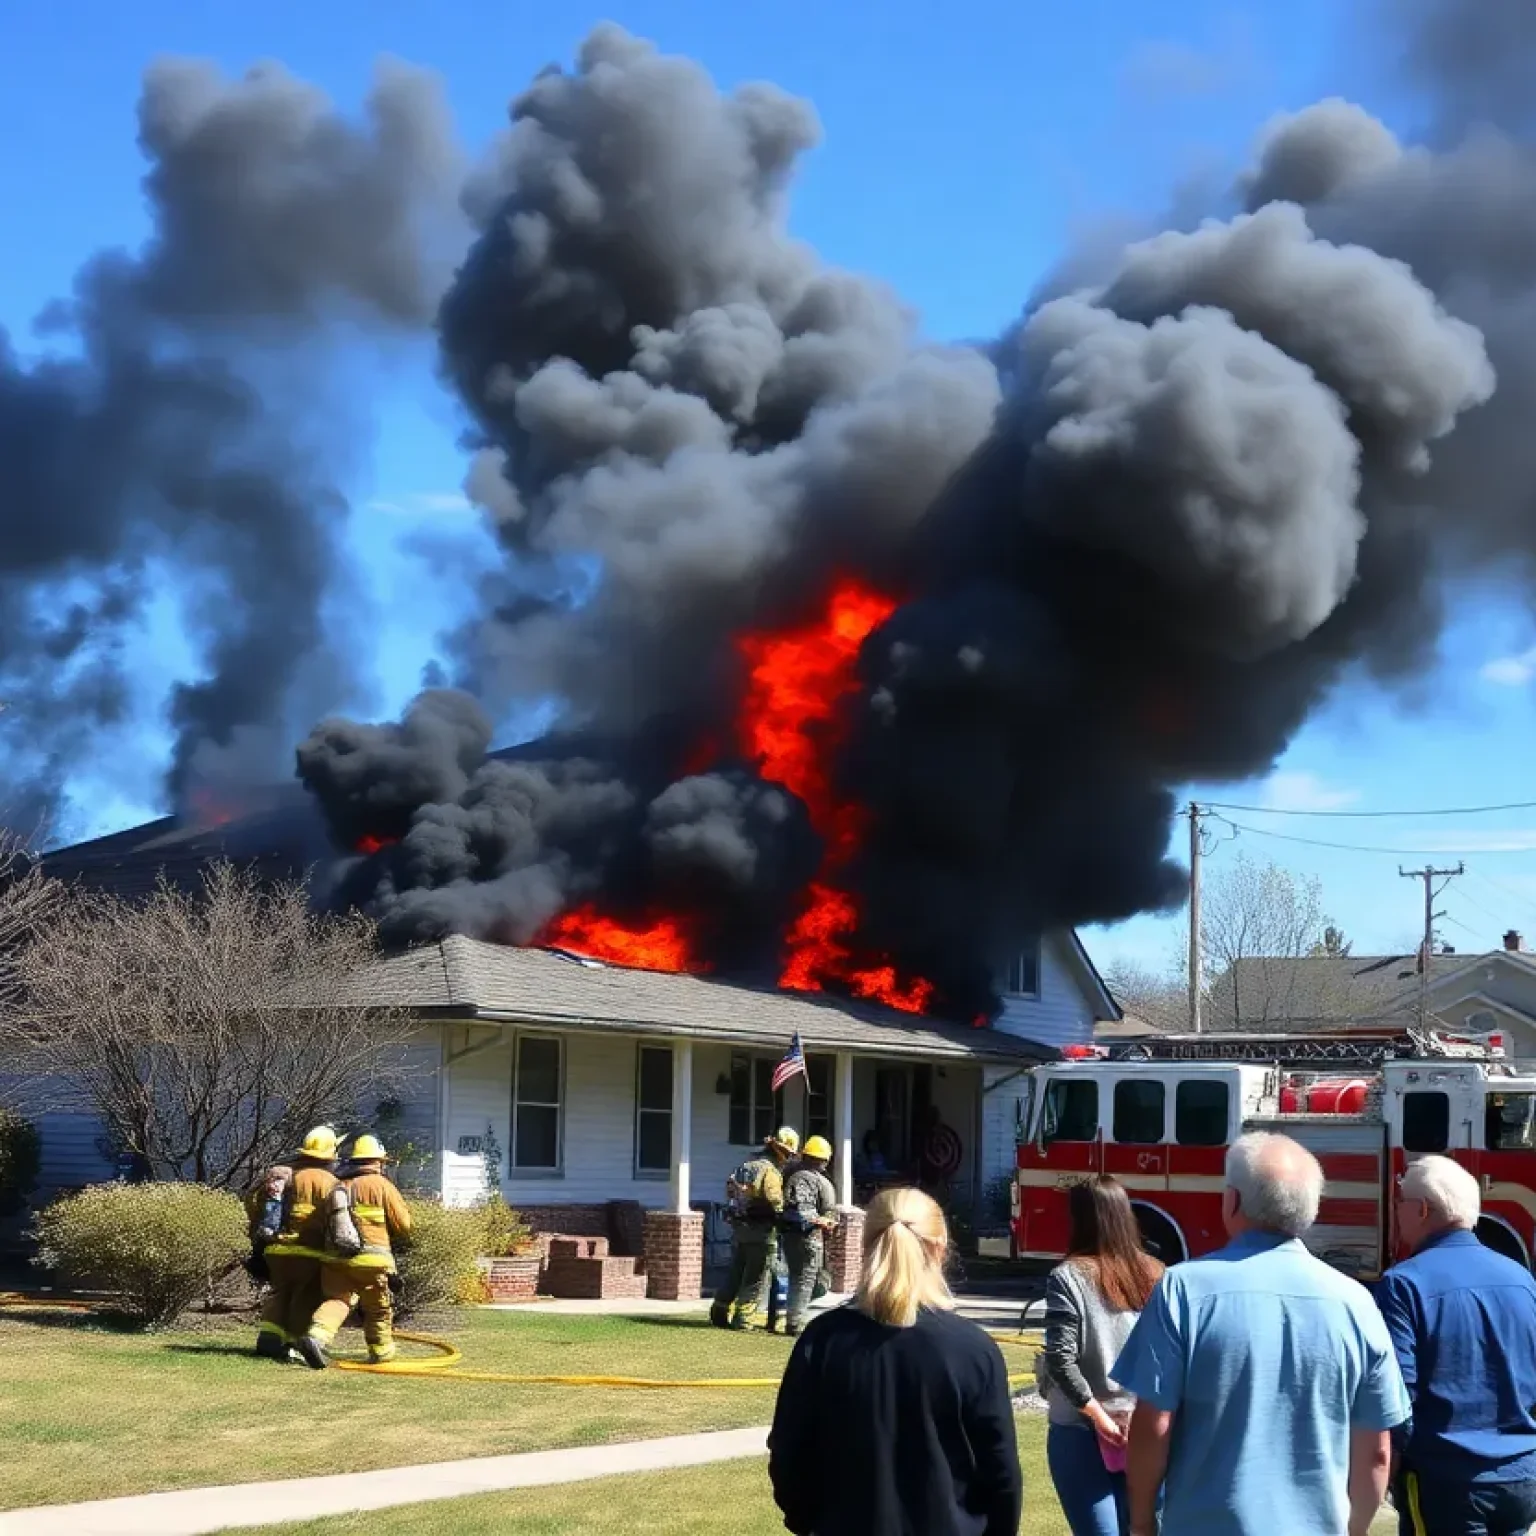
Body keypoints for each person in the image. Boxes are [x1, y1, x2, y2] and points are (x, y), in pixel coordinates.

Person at [1113, 1131, 1409, 1536]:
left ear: (1232, 1200)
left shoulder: (1183, 1289)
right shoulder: (1357, 1303)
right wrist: (1354, 1529)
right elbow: (1376, 1451)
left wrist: (1142, 1521)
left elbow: (1154, 1423)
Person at [767, 1186, 1021, 1536]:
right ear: (940, 1249)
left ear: (866, 1246)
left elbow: (789, 1453)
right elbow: (1001, 1473)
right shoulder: (973, 1350)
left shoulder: (823, 1341)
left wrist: (807, 1520)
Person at [1377, 1155, 1536, 1535]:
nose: (1397, 1212)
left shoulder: (1404, 1284)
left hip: (1448, 1481)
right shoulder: (1521, 1278)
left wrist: (1382, 1469)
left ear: (1421, 1209)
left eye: (1400, 1202)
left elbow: (1397, 1394)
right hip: (1522, 1477)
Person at [1041, 1176, 1163, 1536]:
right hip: (1140, 1428)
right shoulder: (1158, 1273)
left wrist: (1097, 1416)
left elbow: (1060, 1359)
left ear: (1080, 1220)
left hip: (1080, 1429)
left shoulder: (1067, 1277)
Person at [299, 1133, 412, 1369]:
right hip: (372, 1260)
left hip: (335, 1259)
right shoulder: (382, 1185)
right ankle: (381, 1351)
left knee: (337, 1300)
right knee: (378, 1307)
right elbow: (404, 1224)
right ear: (377, 1161)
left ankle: (316, 1337)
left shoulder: (337, 1185)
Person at [246, 1125, 340, 1362]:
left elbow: (252, 1205)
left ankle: (269, 1336)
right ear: (331, 1155)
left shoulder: (282, 1175)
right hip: (308, 1251)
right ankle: (295, 1344)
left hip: (276, 1250)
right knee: (306, 1295)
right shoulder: (330, 1181)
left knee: (281, 1292)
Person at [711, 1126, 798, 1331]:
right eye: (788, 1154)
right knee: (755, 1277)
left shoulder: (747, 1164)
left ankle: (719, 1310)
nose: (788, 1158)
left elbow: (731, 1190)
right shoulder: (769, 1171)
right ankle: (744, 1319)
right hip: (762, 1231)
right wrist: (787, 1214)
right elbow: (775, 1202)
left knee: (736, 1271)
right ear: (780, 1150)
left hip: (740, 1228)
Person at [778, 1134, 838, 1337]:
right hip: (804, 1237)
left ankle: (792, 1313)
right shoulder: (802, 1178)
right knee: (804, 1279)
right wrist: (820, 1221)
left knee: (818, 1281)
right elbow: (800, 1209)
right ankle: (794, 1323)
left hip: (808, 1236)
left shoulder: (805, 1176)